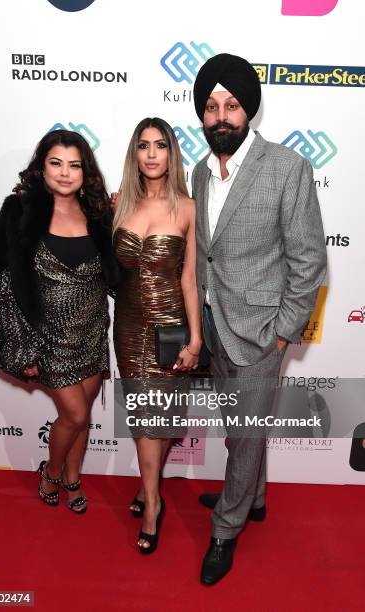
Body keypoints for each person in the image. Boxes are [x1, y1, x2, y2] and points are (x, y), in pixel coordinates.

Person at [191, 54, 327, 584]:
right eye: (210, 106)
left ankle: (227, 527)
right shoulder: (200, 172)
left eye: (231, 105)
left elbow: (309, 260)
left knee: (245, 434)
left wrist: (284, 333)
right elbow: (207, 252)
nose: (220, 116)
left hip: (260, 332)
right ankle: (254, 495)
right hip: (214, 326)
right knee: (239, 433)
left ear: (250, 110)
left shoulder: (286, 167)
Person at [0, 129, 118, 514]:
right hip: (45, 337)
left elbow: (115, 270)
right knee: (73, 414)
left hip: (91, 331)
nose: (65, 172)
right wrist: (25, 347)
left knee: (82, 416)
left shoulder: (98, 212)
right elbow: (6, 285)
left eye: (74, 165)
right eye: (56, 163)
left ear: (84, 171)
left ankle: (73, 480)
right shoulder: (19, 211)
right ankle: (51, 472)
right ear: (42, 167)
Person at [113, 117, 202, 553]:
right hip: (127, 327)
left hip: (170, 328)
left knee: (159, 419)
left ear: (171, 153)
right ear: (135, 154)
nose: (151, 153)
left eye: (160, 145)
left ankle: (151, 501)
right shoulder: (119, 206)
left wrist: (196, 340)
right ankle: (151, 492)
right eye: (143, 145)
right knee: (144, 418)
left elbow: (190, 280)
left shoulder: (187, 208)